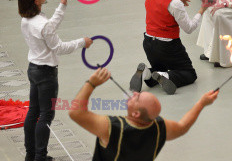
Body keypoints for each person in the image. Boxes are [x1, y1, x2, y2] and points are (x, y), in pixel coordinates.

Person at [68, 67, 218, 160]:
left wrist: (91, 83)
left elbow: (75, 112)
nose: (133, 94)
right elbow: (182, 126)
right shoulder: (159, 127)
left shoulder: (113, 128)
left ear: (136, 115)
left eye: (137, 98)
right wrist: (201, 103)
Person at [18, 0, 92, 161]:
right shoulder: (42, 24)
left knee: (33, 112)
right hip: (46, 74)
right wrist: (82, 42)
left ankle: (31, 154)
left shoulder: (27, 20)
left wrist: (62, 5)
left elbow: (48, 28)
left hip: (33, 69)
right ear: (36, 1)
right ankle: (40, 156)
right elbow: (59, 47)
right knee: (46, 115)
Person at [127, 0, 208, 95]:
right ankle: (164, 76)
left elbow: (159, 4)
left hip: (149, 43)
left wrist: (175, 0)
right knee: (189, 74)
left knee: (159, 69)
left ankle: (146, 73)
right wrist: (201, 10)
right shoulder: (174, 4)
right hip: (168, 47)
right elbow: (189, 28)